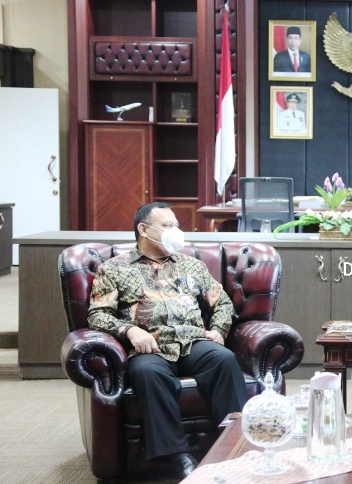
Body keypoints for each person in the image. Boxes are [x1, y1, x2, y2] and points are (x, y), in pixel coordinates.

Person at [87, 202, 247, 479]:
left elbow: (222, 303)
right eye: (167, 226)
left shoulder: (192, 265)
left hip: (193, 340)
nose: (176, 231)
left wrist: (218, 330)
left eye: (176, 225)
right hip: (150, 346)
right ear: (144, 229)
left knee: (224, 359)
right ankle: (176, 456)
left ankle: (236, 447)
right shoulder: (113, 268)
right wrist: (129, 331)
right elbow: (98, 314)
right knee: (148, 372)